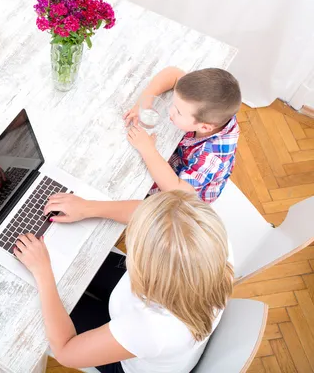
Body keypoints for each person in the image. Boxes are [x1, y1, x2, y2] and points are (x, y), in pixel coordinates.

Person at [15, 191, 234, 373]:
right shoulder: (207, 240)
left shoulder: (151, 330)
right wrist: (88, 207)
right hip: (153, 317)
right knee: (72, 262)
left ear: (145, 272)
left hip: (130, 360)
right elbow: (157, 215)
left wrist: (43, 273)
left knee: (37, 301)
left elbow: (65, 351)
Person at [43, 67, 241, 223]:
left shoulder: (213, 156)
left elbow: (177, 191)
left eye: (178, 112)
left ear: (205, 127)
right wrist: (143, 103)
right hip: (179, 162)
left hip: (185, 203)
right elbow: (172, 74)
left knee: (136, 198)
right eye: (173, 104)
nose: (171, 112)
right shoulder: (206, 108)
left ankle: (88, 208)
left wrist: (148, 149)